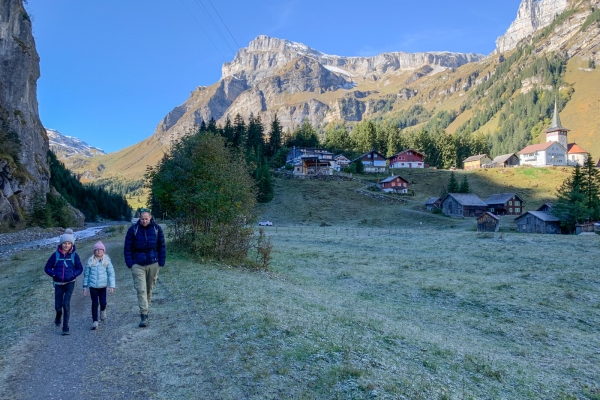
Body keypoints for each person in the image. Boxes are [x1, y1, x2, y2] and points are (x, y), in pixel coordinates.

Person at [123, 208, 166, 327]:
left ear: (150, 218)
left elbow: (162, 246)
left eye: (146, 219)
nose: (144, 221)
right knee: (140, 289)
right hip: (138, 263)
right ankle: (144, 314)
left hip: (153, 262)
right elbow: (127, 247)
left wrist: (161, 262)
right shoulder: (133, 230)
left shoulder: (157, 229)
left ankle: (145, 305)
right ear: (139, 218)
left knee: (149, 288)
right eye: (142, 219)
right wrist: (130, 263)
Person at [44, 228, 83, 335]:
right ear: (61, 244)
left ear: (72, 244)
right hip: (58, 284)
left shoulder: (74, 255)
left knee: (66, 304)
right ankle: (58, 316)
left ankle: (65, 327)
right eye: (64, 243)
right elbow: (47, 268)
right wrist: (54, 274)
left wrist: (73, 275)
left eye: (68, 243)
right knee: (58, 306)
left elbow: (80, 268)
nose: (66, 245)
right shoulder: (55, 255)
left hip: (70, 283)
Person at [82, 241, 116, 330]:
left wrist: (112, 285)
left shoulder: (107, 261)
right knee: (94, 303)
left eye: (101, 249)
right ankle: (95, 321)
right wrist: (85, 286)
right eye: (96, 250)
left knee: (103, 302)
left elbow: (111, 274)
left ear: (103, 251)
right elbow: (86, 275)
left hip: (102, 286)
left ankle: (103, 310)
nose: (98, 251)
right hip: (93, 287)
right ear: (94, 251)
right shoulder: (90, 261)